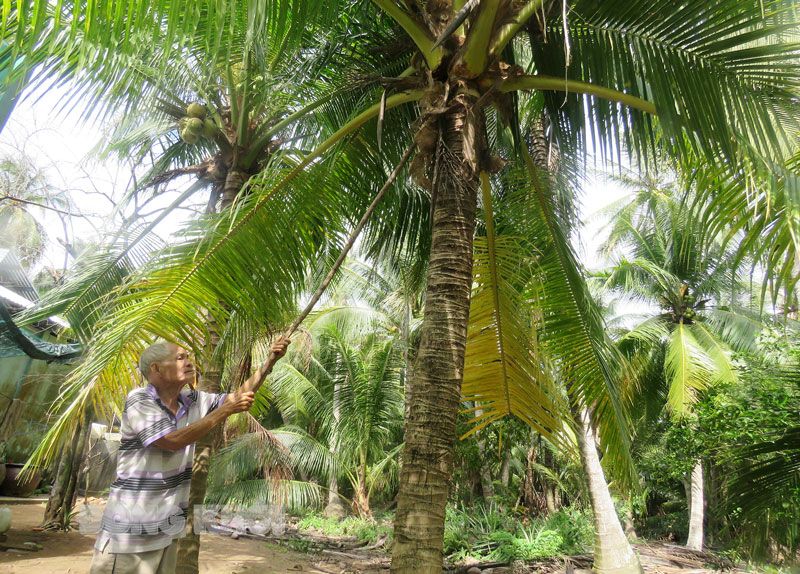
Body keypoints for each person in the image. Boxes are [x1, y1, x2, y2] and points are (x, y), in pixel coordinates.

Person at [89, 336, 290, 574]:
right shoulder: (139, 399)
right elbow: (170, 441)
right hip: (129, 536)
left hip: (166, 530)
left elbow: (237, 397)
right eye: (180, 358)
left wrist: (269, 362)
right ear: (156, 369)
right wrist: (224, 411)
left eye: (188, 357)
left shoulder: (192, 401)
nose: (189, 362)